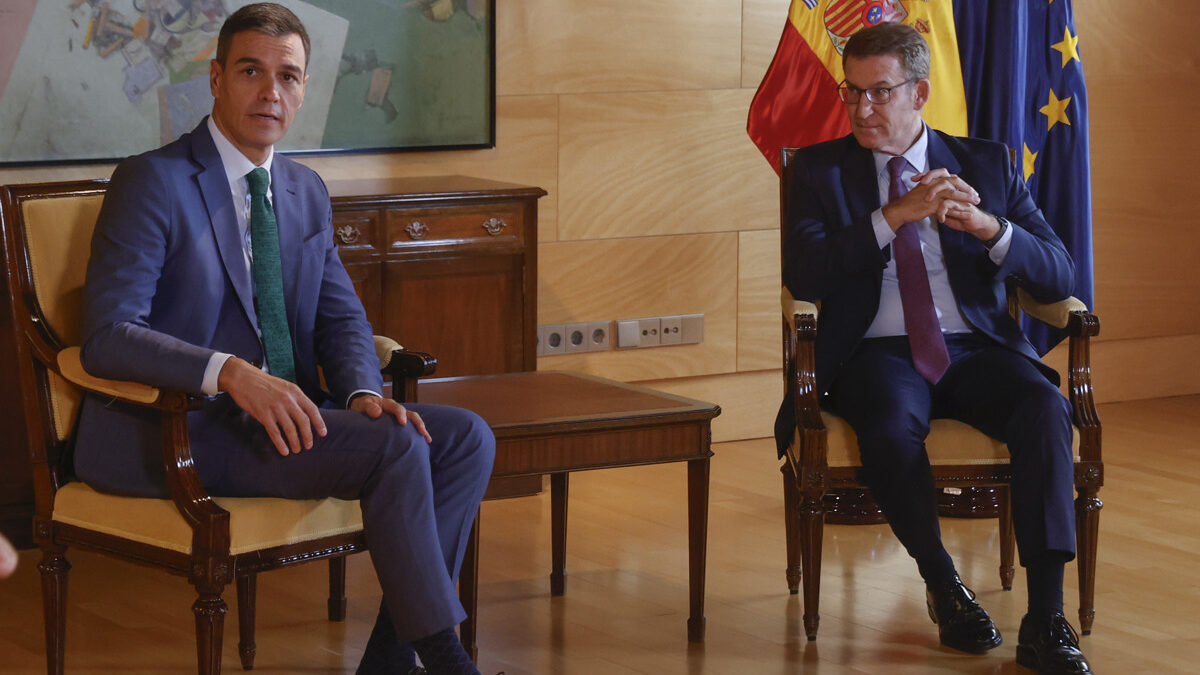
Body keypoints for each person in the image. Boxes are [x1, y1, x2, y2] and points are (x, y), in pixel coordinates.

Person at [75, 5, 493, 675]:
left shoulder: (302, 189)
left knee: (465, 437)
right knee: (394, 450)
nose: (271, 92)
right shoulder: (153, 181)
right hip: (178, 429)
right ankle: (447, 661)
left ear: (303, 90)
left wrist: (360, 391)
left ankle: (390, 663)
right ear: (215, 79)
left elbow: (341, 318)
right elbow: (106, 335)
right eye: (251, 71)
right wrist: (230, 372)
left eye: (289, 76)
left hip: (285, 422)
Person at [774, 22, 1092, 675]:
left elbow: (1060, 273)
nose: (861, 109)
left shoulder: (986, 162)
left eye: (879, 92)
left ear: (919, 92)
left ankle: (1046, 617)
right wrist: (896, 214)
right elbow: (806, 272)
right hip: (875, 351)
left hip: (975, 345)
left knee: (1043, 405)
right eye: (851, 92)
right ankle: (946, 587)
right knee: (890, 427)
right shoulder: (818, 169)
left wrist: (989, 228)